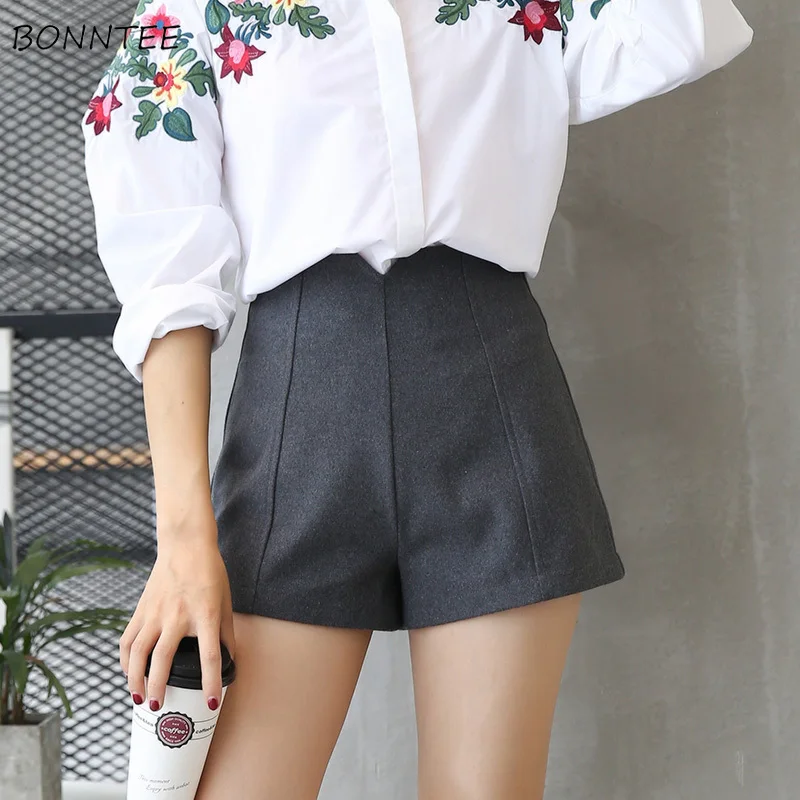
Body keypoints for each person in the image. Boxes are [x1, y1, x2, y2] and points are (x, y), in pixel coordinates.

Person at [81, 1, 752, 797]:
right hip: (300, 420)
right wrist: (184, 543)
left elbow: (689, 31)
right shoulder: (195, 10)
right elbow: (166, 278)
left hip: (494, 399)